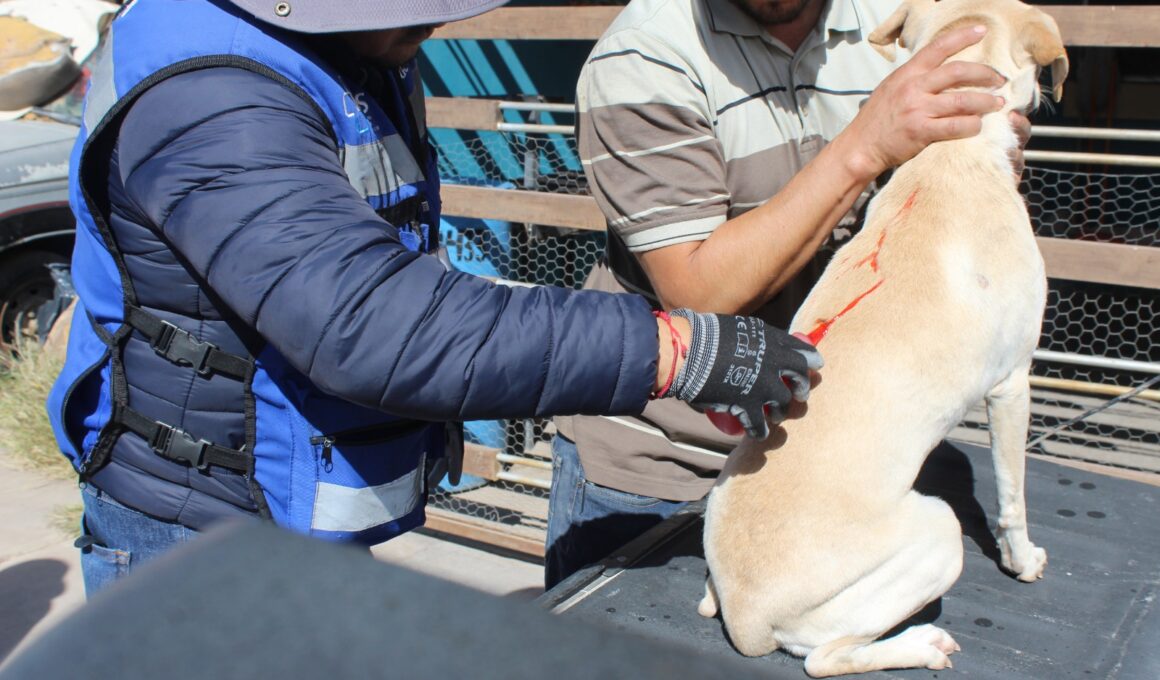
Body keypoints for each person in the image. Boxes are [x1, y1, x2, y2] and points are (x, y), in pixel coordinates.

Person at [48, 0, 823, 595]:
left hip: (275, 511)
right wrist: (677, 351)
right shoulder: (214, 96)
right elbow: (373, 325)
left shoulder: (339, 45)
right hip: (196, 545)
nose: (435, 22)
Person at [547, 0, 1031, 588]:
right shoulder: (643, 56)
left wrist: (982, 153)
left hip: (836, 461)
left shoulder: (890, 21)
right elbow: (698, 293)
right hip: (671, 469)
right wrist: (867, 144)